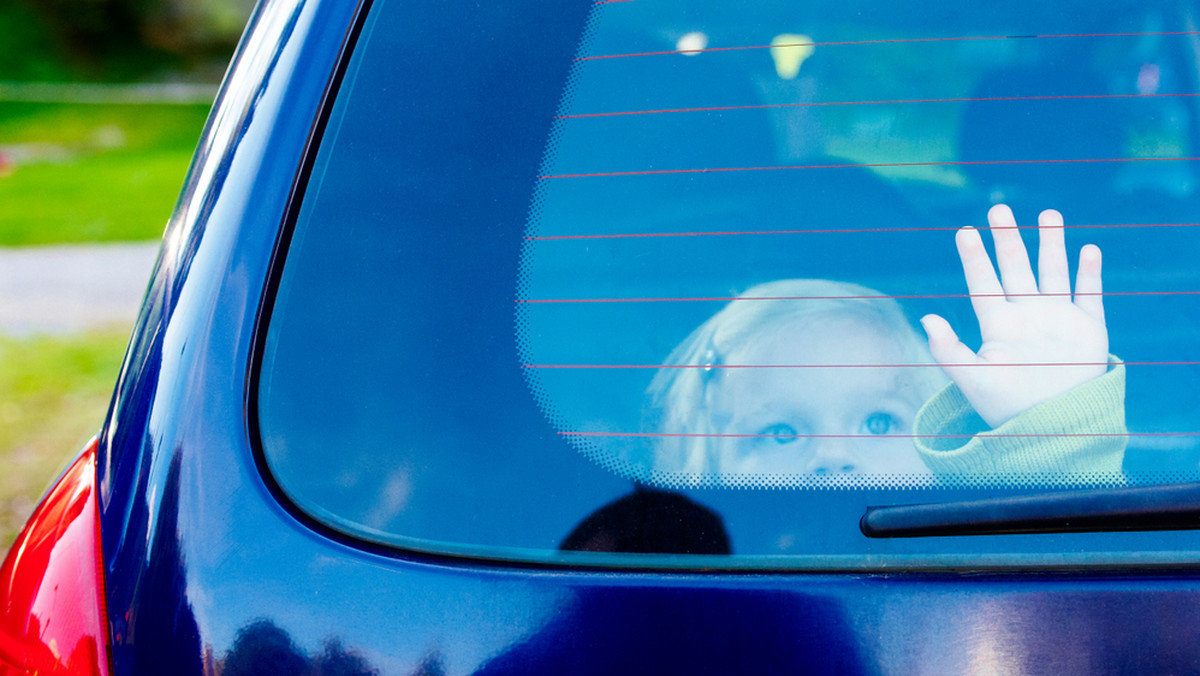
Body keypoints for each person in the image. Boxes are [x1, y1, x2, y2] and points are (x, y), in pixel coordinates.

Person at [643, 205, 1126, 484]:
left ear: (940, 450)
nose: (833, 457)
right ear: (707, 470)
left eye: (879, 423)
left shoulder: (969, 547)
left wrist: (1053, 436)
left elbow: (1070, 550)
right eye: (781, 432)